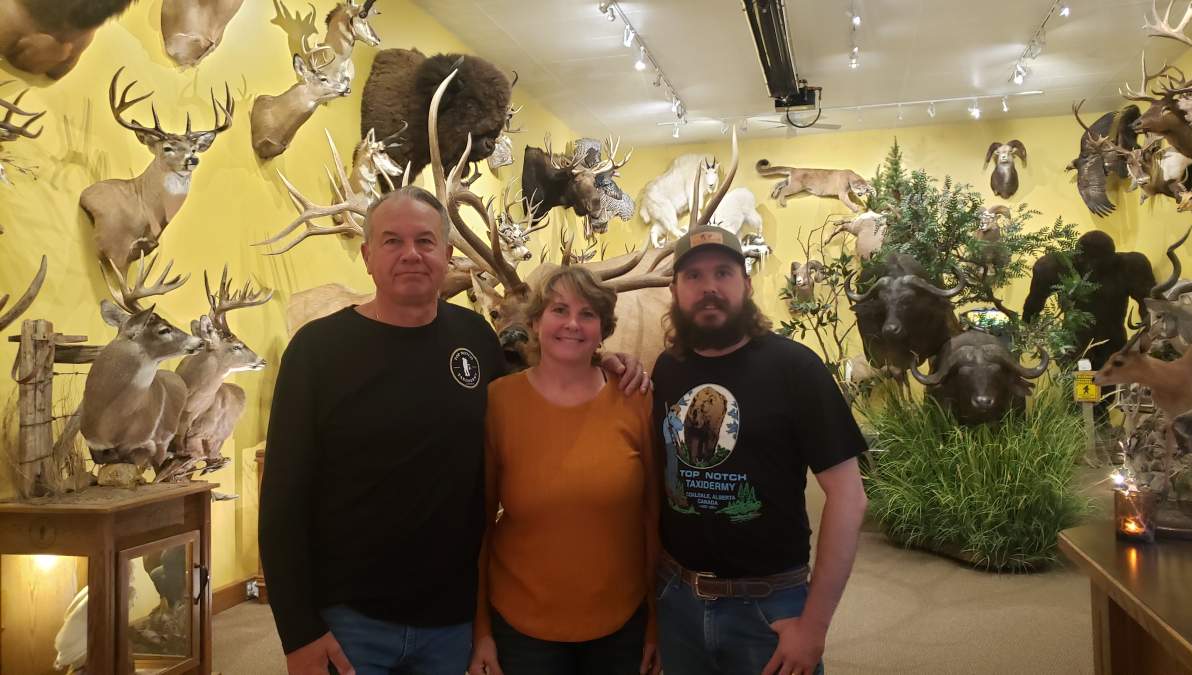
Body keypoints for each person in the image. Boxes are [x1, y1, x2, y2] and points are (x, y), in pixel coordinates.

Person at [259, 186, 648, 675]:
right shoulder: (317, 351)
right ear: (367, 255)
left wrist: (603, 361)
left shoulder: (472, 338)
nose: (411, 255)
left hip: (450, 624)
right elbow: (281, 502)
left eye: (425, 241)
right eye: (392, 241)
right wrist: (298, 632)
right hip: (351, 620)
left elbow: (540, 395)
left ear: (446, 255)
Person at [651, 226, 869, 675]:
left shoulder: (796, 368)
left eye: (723, 272)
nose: (709, 286)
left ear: (746, 284)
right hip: (678, 601)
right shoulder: (667, 368)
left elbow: (849, 496)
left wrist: (815, 626)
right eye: (693, 276)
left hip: (770, 609)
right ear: (674, 290)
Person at [468, 266, 661, 675]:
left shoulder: (634, 399)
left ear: (603, 330)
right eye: (559, 310)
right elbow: (480, 523)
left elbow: (652, 517)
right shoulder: (498, 402)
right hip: (522, 629)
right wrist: (481, 629)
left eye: (588, 313)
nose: (572, 323)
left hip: (621, 626)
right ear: (536, 322)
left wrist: (655, 623)